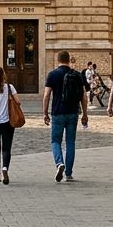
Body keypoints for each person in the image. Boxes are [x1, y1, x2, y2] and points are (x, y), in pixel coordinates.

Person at [42, 50, 89, 183]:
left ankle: (59, 163)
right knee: (70, 142)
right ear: (69, 61)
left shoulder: (53, 75)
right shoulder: (77, 75)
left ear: (58, 61)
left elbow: (46, 95)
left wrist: (45, 113)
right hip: (73, 112)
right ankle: (68, 173)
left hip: (57, 112)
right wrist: (84, 113)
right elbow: (83, 96)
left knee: (55, 141)